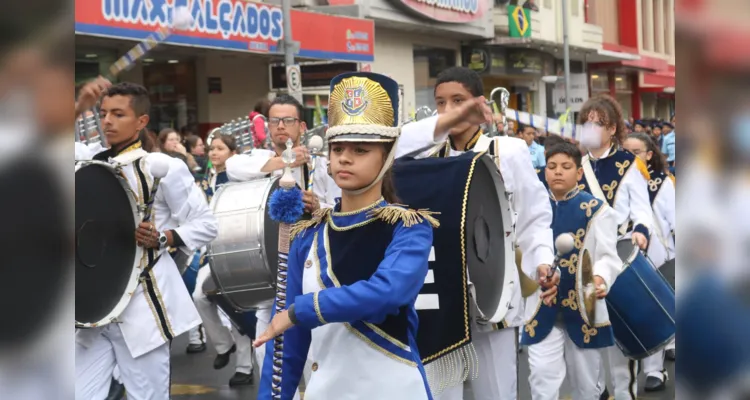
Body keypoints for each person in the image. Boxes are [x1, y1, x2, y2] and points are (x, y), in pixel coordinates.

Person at [254, 72, 438, 399]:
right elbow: (286, 348)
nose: (344, 157)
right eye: (337, 147)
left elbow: (388, 291)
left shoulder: (409, 228)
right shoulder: (307, 236)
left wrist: (301, 310)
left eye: (360, 149)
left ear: (387, 155)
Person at [396, 66, 554, 400]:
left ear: (478, 104)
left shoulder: (507, 150)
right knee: (440, 392)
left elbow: (533, 217)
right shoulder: (424, 155)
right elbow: (389, 147)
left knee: (495, 392)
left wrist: (541, 261)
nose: (449, 110)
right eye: (441, 103)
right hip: (442, 299)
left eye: (458, 100)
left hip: (492, 292)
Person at [75, 82, 218, 399]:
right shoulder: (89, 161)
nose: (107, 121)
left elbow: (206, 224)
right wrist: (78, 105)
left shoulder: (164, 168)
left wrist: (164, 236)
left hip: (143, 310)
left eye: (118, 114)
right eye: (102, 114)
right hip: (93, 309)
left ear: (141, 121)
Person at [225, 94, 341, 377]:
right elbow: (231, 168)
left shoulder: (320, 165)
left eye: (288, 120)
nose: (280, 126)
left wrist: (318, 206)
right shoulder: (257, 160)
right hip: (269, 264)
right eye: (274, 120)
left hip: (311, 263)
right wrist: (282, 161)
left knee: (315, 348)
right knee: (268, 350)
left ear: (301, 126)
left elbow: (340, 208)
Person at [523, 141, 622, 400]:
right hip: (540, 308)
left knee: (587, 386)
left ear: (579, 173)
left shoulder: (597, 210)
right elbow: (525, 250)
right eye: (552, 166)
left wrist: (600, 277)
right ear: (544, 171)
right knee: (542, 380)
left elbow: (608, 256)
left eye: (566, 167)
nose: (557, 171)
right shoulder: (532, 211)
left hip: (584, 307)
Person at [576, 94, 653, 400]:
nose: (592, 127)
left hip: (617, 256)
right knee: (585, 340)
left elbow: (642, 210)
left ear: (612, 130)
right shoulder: (573, 164)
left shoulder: (629, 164)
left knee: (620, 341)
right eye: (587, 122)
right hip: (581, 260)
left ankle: (623, 394)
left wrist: (642, 231)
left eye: (600, 123)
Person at [191, 134, 255, 386]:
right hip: (210, 251)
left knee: (237, 308)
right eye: (211, 149)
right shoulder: (206, 179)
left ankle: (244, 367)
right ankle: (223, 344)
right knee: (199, 296)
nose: (214, 153)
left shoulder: (237, 177)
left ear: (232, 152)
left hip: (235, 248)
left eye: (220, 148)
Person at [623, 133, 676, 392]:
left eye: (636, 151)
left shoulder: (662, 183)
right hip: (620, 258)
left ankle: (655, 370)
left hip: (656, 258)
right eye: (626, 151)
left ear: (648, 155)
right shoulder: (615, 181)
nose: (631, 156)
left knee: (651, 313)